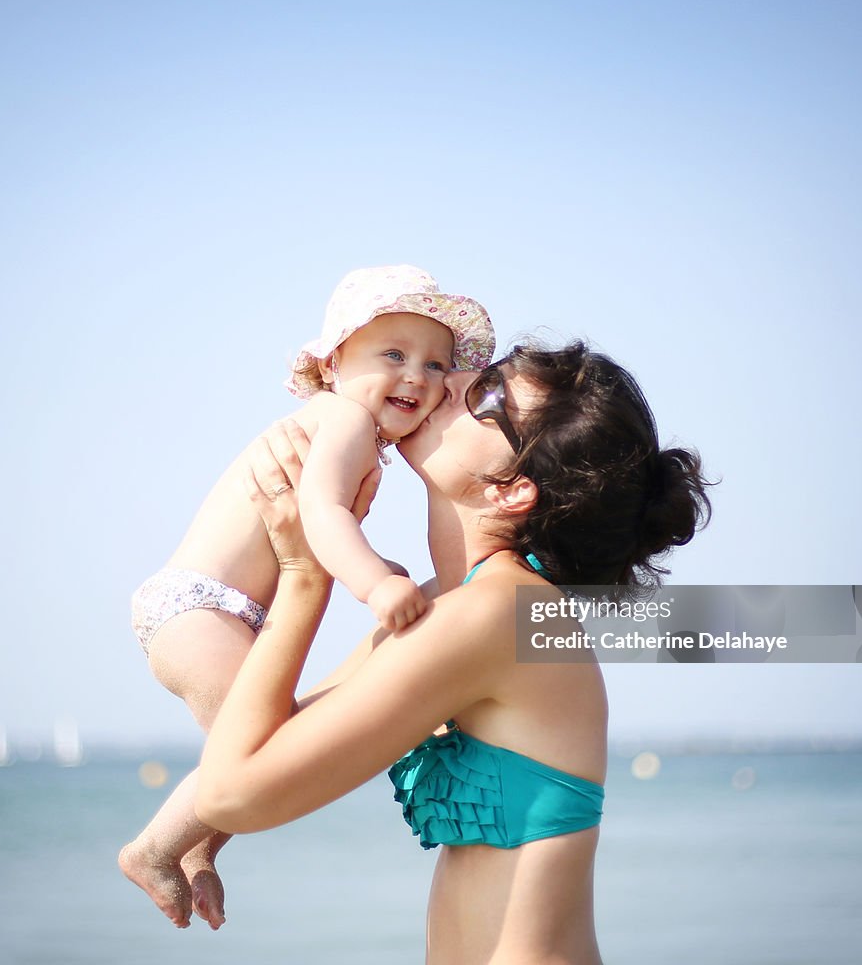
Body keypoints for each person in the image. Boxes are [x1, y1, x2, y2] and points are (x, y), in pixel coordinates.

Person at [196, 338, 712, 963]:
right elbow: (285, 738)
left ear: (511, 490)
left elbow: (234, 793)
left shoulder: (495, 615)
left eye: (488, 392)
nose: (454, 376)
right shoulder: (457, 603)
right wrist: (175, 843)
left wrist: (305, 575)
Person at [120, 265, 494, 929]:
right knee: (265, 752)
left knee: (252, 746)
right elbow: (321, 515)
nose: (418, 376)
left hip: (215, 608)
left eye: (438, 365)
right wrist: (376, 580)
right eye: (394, 355)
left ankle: (197, 851)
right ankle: (153, 850)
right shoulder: (345, 420)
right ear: (332, 363)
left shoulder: (352, 429)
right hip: (198, 606)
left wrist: (386, 570)